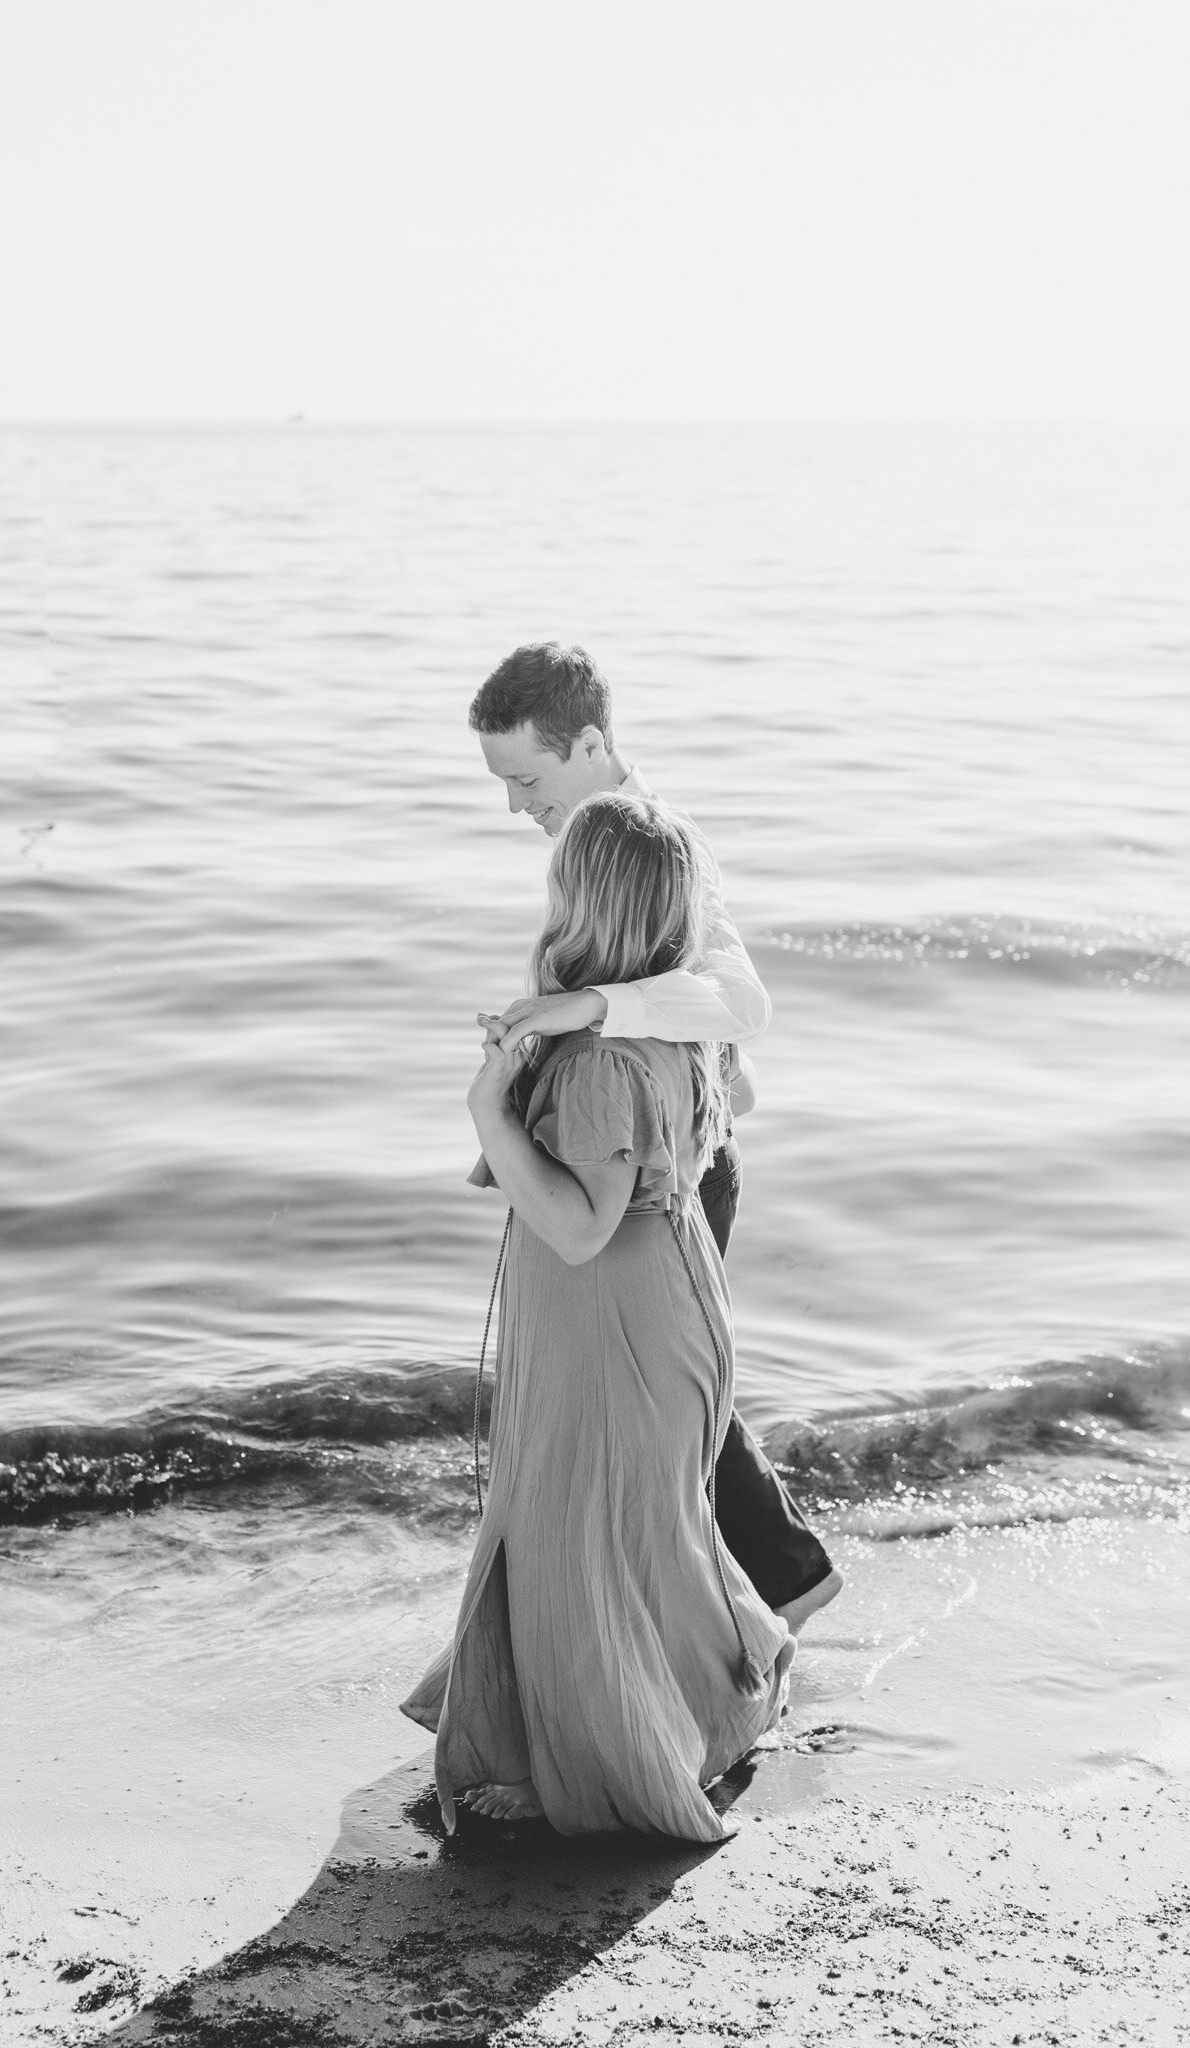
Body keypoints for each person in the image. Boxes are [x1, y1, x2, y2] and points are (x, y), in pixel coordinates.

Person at [401, 791, 796, 1840]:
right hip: (668, 1299)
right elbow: (734, 1103)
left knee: (580, 1537)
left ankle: (592, 1760)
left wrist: (492, 1108)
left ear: (580, 905)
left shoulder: (597, 1056)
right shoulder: (663, 1026)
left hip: (613, 1315)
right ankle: (697, 1704)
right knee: (642, 1531)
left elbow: (578, 1227)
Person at [467, 642, 840, 1632]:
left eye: (527, 779)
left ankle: (771, 1586)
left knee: (658, 1388)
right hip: (644, 1135)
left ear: (590, 743)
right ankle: (758, 1585)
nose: (517, 806)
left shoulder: (664, 842)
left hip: (681, 1162)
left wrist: (585, 1005)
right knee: (661, 1384)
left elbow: (742, 1000)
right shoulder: (593, 836)